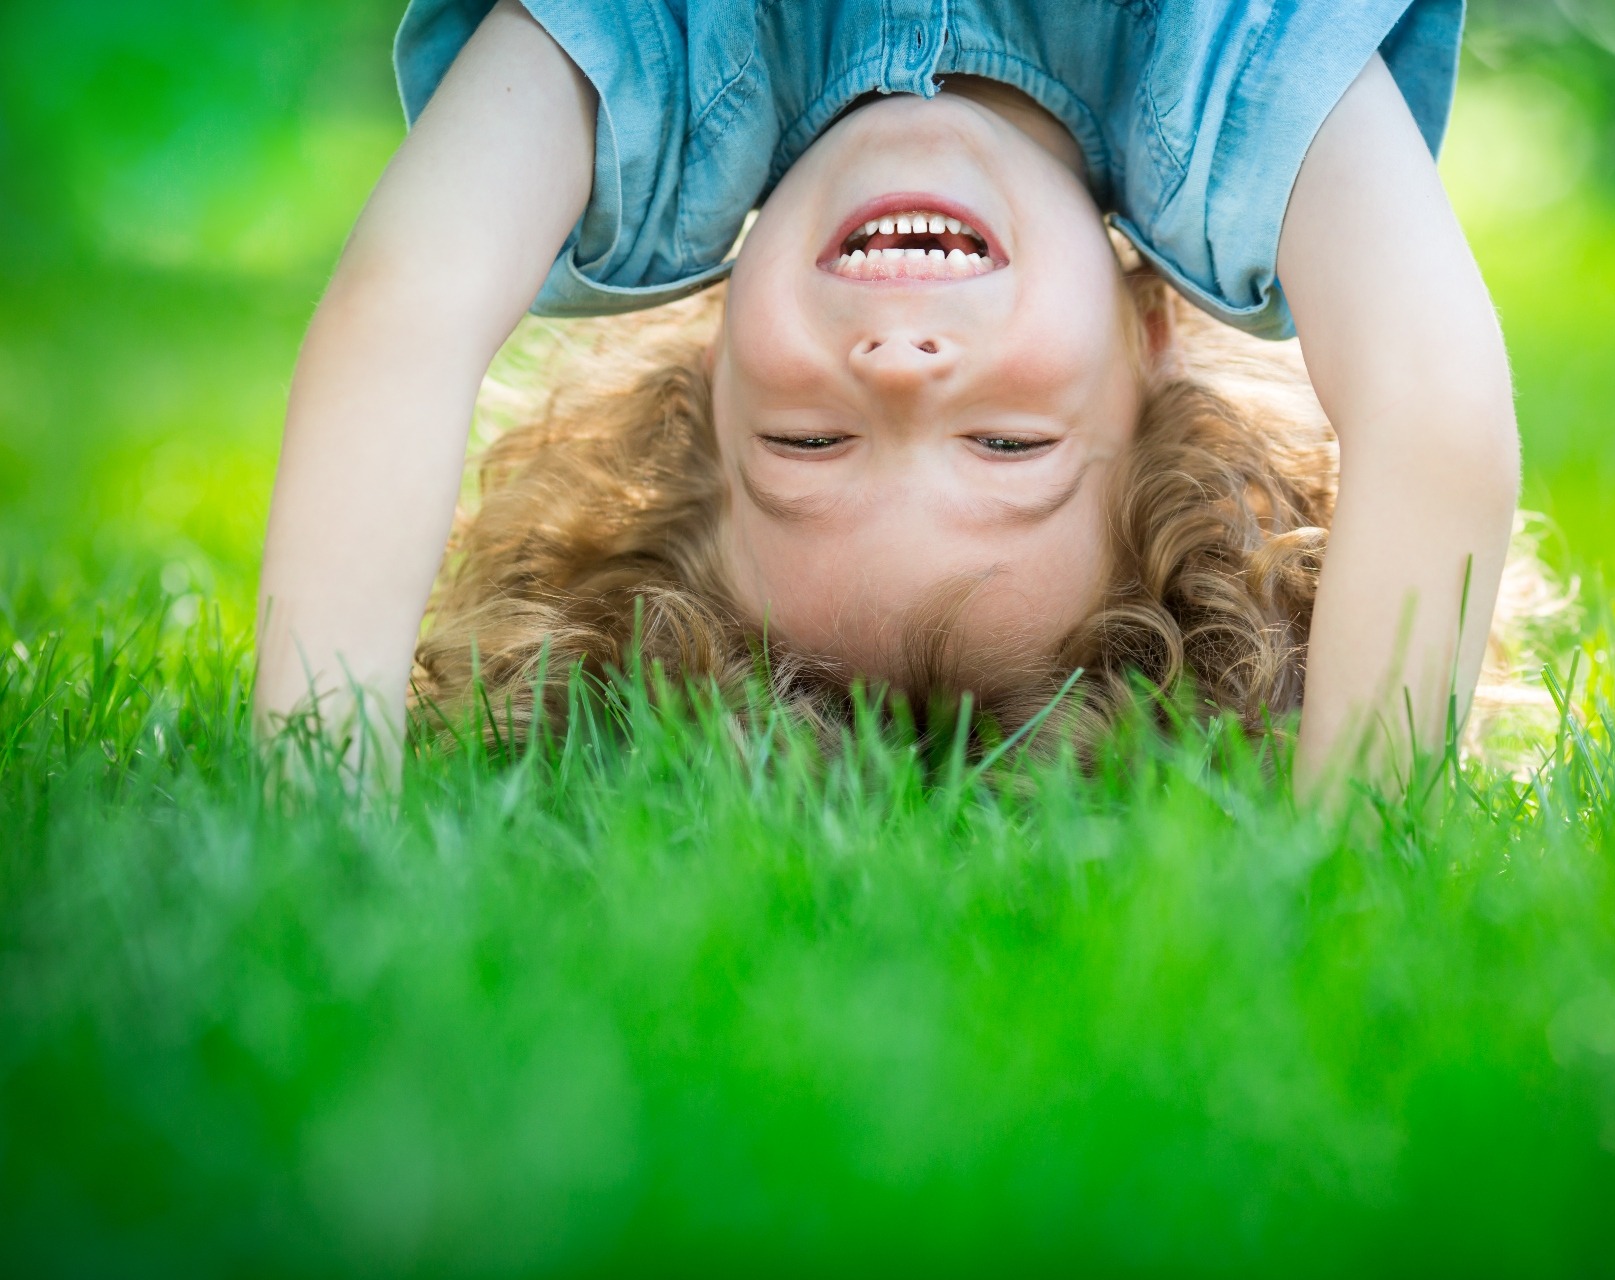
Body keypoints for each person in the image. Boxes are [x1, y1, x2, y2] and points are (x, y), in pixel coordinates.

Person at [254, 0, 1523, 794]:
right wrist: (1359, 848)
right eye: (1008, 444)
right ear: (1147, 346)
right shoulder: (1215, 90)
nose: (901, 373)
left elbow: (404, 306)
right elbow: (1432, 406)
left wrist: (312, 803)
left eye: (809, 443)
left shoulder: (671, 65)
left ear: (717, 366)